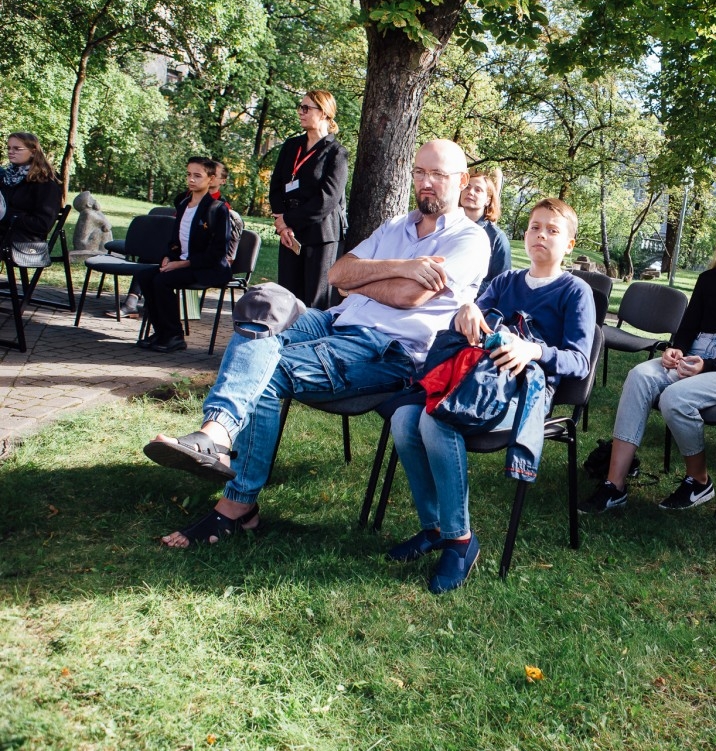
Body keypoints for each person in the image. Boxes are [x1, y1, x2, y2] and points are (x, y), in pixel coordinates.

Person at [145, 139, 490, 548]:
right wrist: (404, 266)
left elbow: (408, 297)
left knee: (268, 371)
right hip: (331, 321)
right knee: (264, 300)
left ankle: (238, 506)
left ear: (462, 180)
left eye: (438, 175)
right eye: (420, 172)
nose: (426, 183)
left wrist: (370, 279)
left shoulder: (469, 240)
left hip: (384, 351)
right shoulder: (396, 227)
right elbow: (339, 274)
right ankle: (217, 432)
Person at [389, 198, 595, 593]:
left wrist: (532, 349)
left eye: (553, 230)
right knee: (403, 419)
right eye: (535, 227)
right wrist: (465, 312)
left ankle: (460, 541)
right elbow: (469, 323)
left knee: (436, 419)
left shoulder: (575, 291)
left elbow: (580, 361)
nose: (541, 235)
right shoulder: (505, 282)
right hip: (477, 378)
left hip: (523, 390)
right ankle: (433, 528)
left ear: (569, 243)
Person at [579, 201, 716, 514]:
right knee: (639, 376)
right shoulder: (710, 279)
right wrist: (676, 349)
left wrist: (708, 365)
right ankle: (614, 484)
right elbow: (688, 328)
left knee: (675, 398)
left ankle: (699, 480)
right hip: (694, 353)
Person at [132, 157, 232, 353]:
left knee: (163, 281)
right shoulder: (184, 204)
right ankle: (161, 331)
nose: (191, 180)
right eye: (188, 175)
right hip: (182, 263)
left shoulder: (217, 209)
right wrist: (169, 257)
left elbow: (218, 251)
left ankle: (174, 335)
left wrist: (183, 264)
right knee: (145, 276)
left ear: (211, 179)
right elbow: (175, 241)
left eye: (197, 176)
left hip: (206, 268)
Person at [269, 89, 349, 309]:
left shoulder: (336, 153)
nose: (300, 112)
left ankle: (312, 342)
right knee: (287, 296)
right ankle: (287, 341)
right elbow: (276, 187)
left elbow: (327, 199)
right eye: (300, 107)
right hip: (289, 234)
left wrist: (288, 220)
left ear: (324, 113)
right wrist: (282, 225)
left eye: (306, 108)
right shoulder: (291, 146)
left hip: (320, 234)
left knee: (314, 300)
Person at [0, 132, 61, 246]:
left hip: (26, 239)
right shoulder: (7, 178)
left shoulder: (45, 182)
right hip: (5, 233)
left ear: (33, 152)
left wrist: (11, 216)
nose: (10, 151)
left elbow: (43, 224)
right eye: (9, 148)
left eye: (17, 148)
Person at [461, 167, 511, 293]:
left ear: (488, 200)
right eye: (467, 187)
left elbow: (502, 282)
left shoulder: (496, 238)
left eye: (478, 190)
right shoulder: (445, 225)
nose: (470, 192)